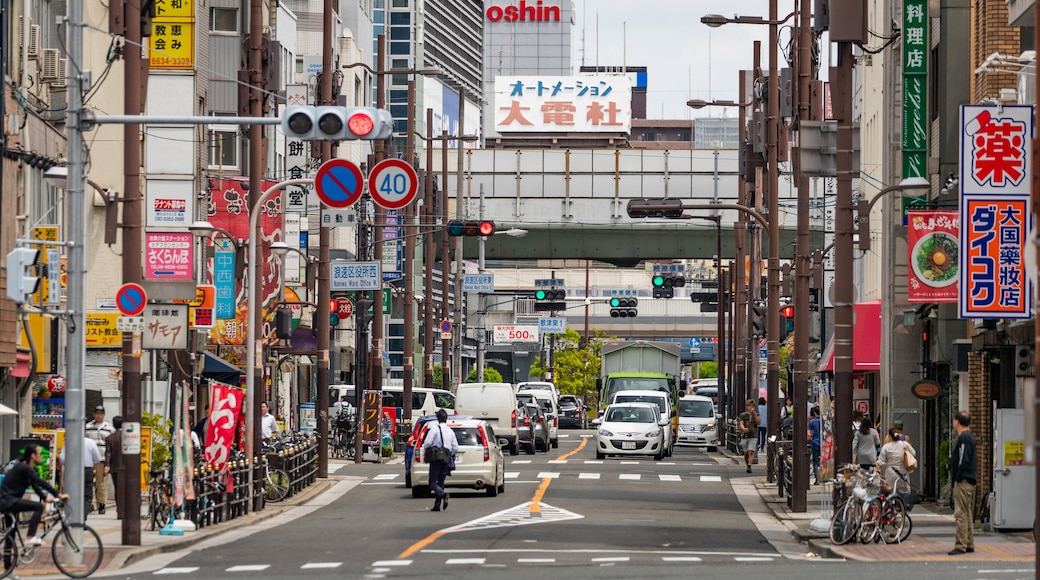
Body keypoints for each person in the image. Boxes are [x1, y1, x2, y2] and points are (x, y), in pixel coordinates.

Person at [0, 444, 68, 546]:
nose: (42, 456)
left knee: (12, 532)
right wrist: (58, 494)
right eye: (40, 454)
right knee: (38, 507)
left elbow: (34, 484)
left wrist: (44, 497)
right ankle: (30, 536)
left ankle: (8, 561)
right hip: (8, 501)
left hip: (7, 500)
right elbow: (40, 482)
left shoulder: (24, 468)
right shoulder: (24, 468)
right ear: (33, 456)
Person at [948, 411, 977, 555]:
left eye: (954, 420)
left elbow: (962, 459)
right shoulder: (969, 437)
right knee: (967, 513)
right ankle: (969, 543)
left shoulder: (964, 438)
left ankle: (961, 545)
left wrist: (957, 477)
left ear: (957, 421)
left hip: (963, 481)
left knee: (960, 513)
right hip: (968, 480)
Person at [422, 409, 458, 512]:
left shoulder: (434, 429)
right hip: (446, 458)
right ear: (446, 419)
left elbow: (427, 443)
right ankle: (437, 505)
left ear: (437, 419)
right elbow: (455, 447)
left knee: (432, 482)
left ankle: (443, 494)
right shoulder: (450, 431)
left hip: (436, 457)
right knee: (441, 481)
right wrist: (449, 453)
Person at [59, 432, 102, 520]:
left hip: (72, 471)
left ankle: (72, 516)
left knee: (72, 493)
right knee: (87, 495)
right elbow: (98, 458)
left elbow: (62, 459)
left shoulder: (70, 442)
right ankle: (83, 516)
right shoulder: (91, 442)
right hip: (87, 470)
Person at [85, 404, 114, 515]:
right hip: (89, 460)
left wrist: (109, 463)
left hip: (102, 459)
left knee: (101, 483)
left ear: (104, 415)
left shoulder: (109, 428)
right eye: (97, 414)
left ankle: (101, 504)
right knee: (89, 483)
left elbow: (111, 446)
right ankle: (90, 504)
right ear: (93, 414)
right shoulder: (88, 427)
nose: (99, 416)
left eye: (101, 414)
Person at [876, 427, 915, 495]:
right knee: (903, 491)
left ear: (890, 436)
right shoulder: (904, 444)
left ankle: (891, 504)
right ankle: (902, 504)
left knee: (890, 491)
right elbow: (913, 453)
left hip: (890, 473)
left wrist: (875, 471)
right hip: (902, 472)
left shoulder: (886, 447)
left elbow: (881, 462)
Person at [104, 416, 125, 520]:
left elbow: (108, 453)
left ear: (113, 425)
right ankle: (126, 510)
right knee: (127, 489)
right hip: (127, 467)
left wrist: (107, 465)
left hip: (115, 466)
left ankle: (119, 511)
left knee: (118, 489)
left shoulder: (110, 438)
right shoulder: (128, 437)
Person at [739, 399, 759, 474]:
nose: (750, 407)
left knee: (751, 451)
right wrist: (743, 428)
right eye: (749, 406)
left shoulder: (756, 414)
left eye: (752, 406)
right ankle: (747, 464)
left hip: (753, 435)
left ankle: (749, 465)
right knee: (746, 453)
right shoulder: (743, 415)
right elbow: (741, 423)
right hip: (744, 436)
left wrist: (755, 415)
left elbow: (758, 422)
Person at [807, 406, 821, 484]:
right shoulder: (825, 421)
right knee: (823, 460)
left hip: (815, 442)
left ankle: (817, 479)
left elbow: (809, 433)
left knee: (815, 462)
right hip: (825, 443)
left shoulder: (811, 422)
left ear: (814, 413)